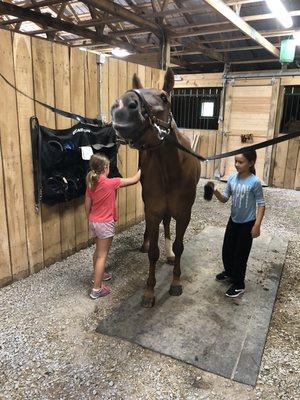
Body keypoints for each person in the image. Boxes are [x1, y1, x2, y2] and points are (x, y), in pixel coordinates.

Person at [85, 154, 141, 299]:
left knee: (98, 252)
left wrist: (89, 219)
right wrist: (142, 167)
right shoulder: (111, 182)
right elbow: (135, 180)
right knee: (102, 256)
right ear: (105, 168)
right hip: (105, 223)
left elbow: (87, 204)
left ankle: (98, 275)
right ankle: (96, 289)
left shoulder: (91, 183)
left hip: (94, 221)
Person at [213, 150, 265, 298]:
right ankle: (229, 273)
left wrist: (257, 225)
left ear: (250, 163)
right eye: (235, 161)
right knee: (227, 249)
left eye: (240, 162)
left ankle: (239, 284)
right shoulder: (231, 179)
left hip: (248, 223)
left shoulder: (255, 182)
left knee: (240, 254)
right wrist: (215, 191)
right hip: (233, 220)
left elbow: (261, 204)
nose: (236, 164)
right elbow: (224, 199)